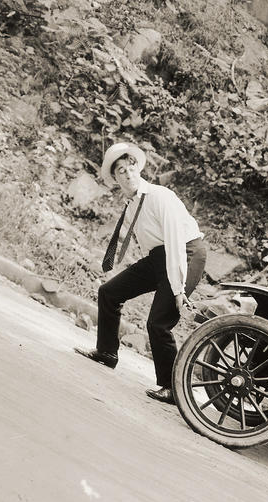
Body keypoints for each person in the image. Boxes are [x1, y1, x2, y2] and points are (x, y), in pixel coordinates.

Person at [75, 141, 207, 404]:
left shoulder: (160, 196)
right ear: (115, 178)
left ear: (139, 169)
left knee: (158, 322)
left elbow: (175, 242)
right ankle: (107, 353)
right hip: (159, 257)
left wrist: (178, 288)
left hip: (185, 252)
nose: (127, 173)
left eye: (130, 167)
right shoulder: (132, 203)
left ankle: (173, 388)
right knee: (109, 293)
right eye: (121, 170)